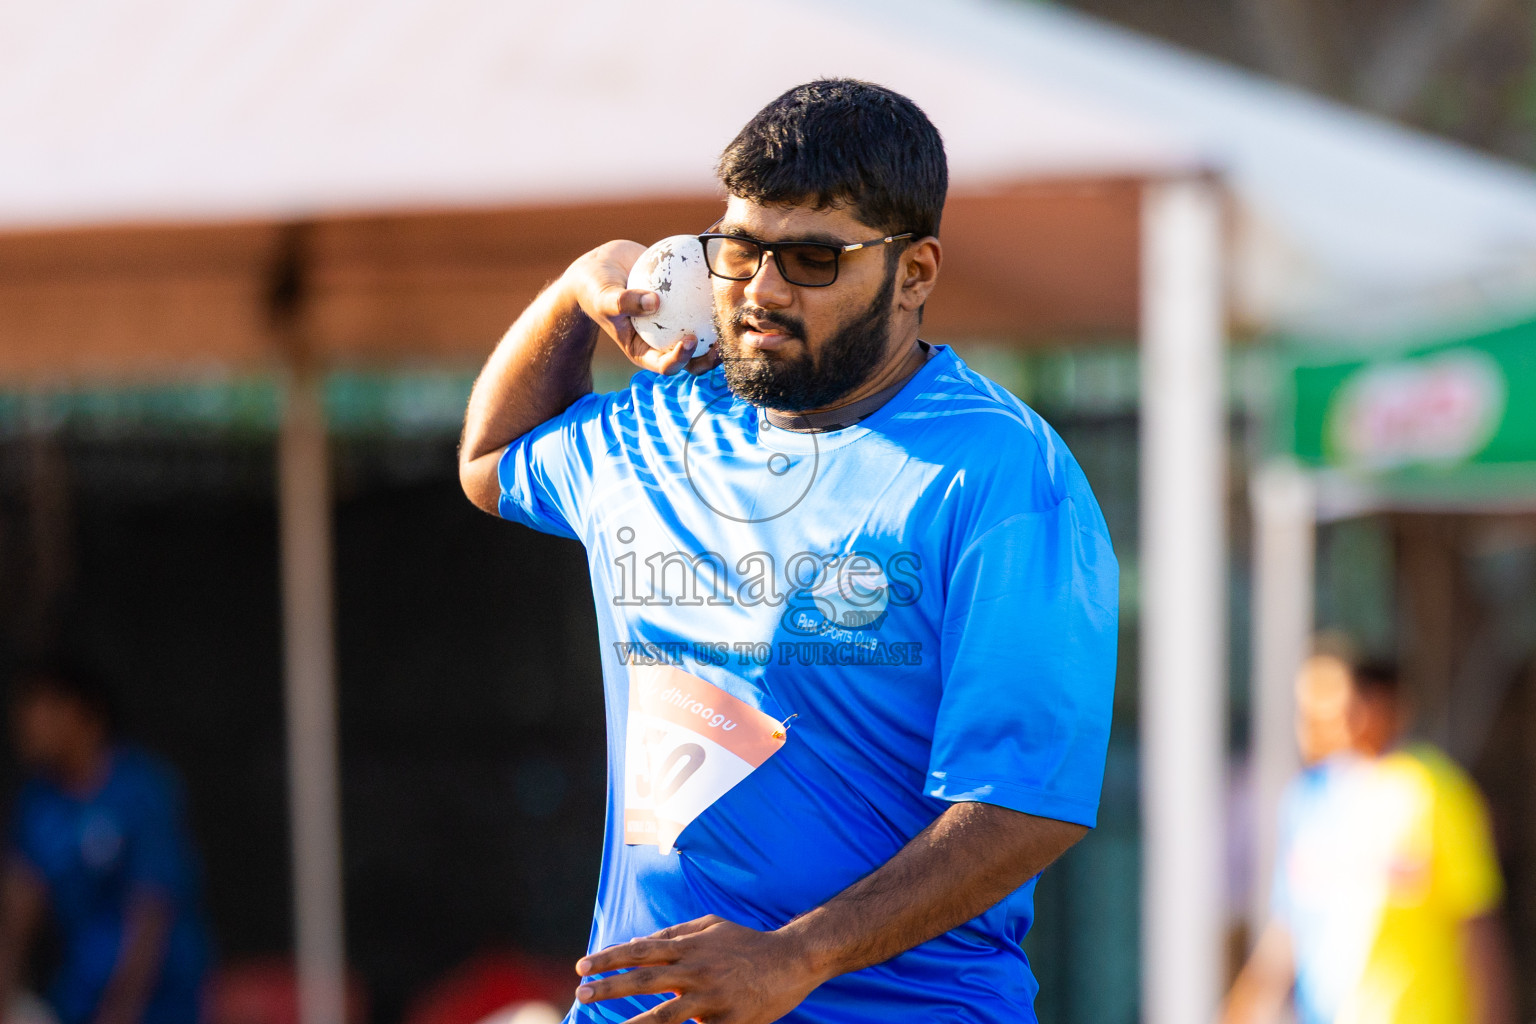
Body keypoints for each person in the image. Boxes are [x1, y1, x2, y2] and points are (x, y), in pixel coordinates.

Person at [459, 79, 1119, 1024]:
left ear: (916, 272)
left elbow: (1025, 806)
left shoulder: (1001, 475)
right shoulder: (658, 427)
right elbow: (489, 460)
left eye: (812, 258)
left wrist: (795, 956)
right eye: (739, 252)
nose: (762, 291)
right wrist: (575, 291)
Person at [1222, 655, 1515, 1024]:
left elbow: (1478, 925)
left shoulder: (1432, 792)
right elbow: (1289, 926)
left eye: (1337, 705)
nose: (1318, 719)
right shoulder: (1307, 800)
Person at [0, 665, 211, 1024]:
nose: (29, 724)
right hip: (79, 997)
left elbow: (151, 910)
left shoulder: (142, 790)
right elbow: (17, 914)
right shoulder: (38, 803)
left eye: (45, 709)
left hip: (158, 1002)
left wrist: (121, 1011)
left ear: (87, 715)